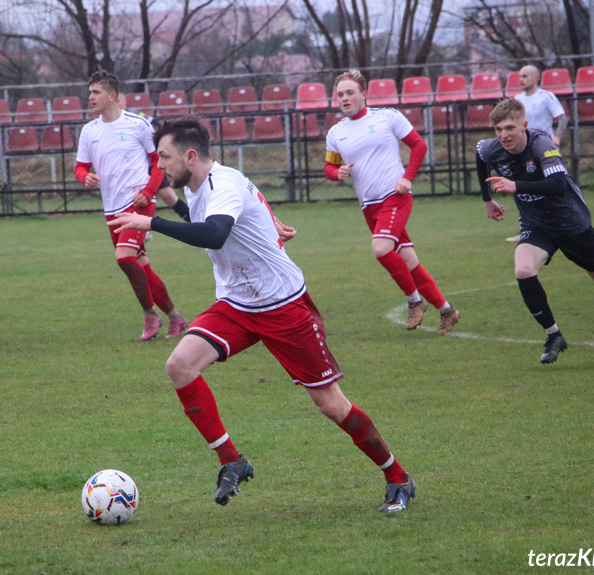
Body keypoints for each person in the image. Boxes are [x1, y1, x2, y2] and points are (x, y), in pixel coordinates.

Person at [108, 115, 416, 514]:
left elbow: (215, 232)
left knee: (331, 405)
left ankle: (398, 477)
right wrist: (269, 220)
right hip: (237, 305)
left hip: (284, 308)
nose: (159, 166)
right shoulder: (203, 186)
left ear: (189, 155)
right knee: (180, 365)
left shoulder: (225, 183)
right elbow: (235, 206)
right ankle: (231, 460)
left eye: (164, 157)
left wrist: (150, 221)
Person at [476, 98, 594, 363]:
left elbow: (558, 185)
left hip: (572, 224)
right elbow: (480, 156)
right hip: (536, 225)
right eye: (498, 129)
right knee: (524, 270)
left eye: (509, 128)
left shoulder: (542, 144)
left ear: (524, 125)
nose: (503, 135)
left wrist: (516, 186)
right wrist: (487, 200)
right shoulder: (491, 147)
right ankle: (554, 335)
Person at [324, 69, 459, 334]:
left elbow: (419, 145)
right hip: (369, 206)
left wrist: (407, 178)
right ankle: (447, 311)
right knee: (409, 262)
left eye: (350, 92)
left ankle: (414, 302)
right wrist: (336, 173)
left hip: (395, 198)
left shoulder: (388, 117)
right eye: (340, 94)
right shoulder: (336, 132)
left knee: (381, 249)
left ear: (364, 94)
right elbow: (329, 167)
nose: (344, 98)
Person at [75, 70, 187, 341]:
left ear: (112, 96)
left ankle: (150, 313)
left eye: (96, 92)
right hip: (111, 208)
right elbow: (80, 167)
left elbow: (157, 162)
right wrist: (84, 176)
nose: (90, 97)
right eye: (90, 92)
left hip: (137, 204)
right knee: (141, 265)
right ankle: (175, 317)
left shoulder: (138, 125)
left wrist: (148, 192)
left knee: (124, 257)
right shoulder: (89, 131)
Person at [505, 65, 570, 243]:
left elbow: (562, 119)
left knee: (551, 187)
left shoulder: (546, 97)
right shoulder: (517, 100)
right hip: (522, 152)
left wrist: (557, 137)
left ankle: (560, 223)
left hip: (543, 150)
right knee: (523, 189)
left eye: (525, 76)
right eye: (519, 76)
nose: (521, 79)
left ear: (535, 78)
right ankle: (525, 229)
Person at [117, 92, 191, 223]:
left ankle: (195, 222)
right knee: (130, 198)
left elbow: (155, 124)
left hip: (150, 165)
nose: (116, 104)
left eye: (119, 101)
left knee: (168, 197)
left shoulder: (136, 117)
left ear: (124, 102)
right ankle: (138, 228)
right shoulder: (109, 124)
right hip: (128, 168)